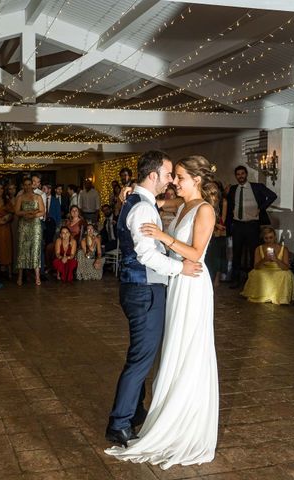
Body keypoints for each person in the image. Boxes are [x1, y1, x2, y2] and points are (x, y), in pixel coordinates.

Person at [105, 153, 218, 470]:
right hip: (171, 280)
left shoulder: (202, 209)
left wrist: (164, 236)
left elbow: (195, 252)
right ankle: (130, 416)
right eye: (171, 175)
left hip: (189, 281)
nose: (173, 182)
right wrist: (130, 190)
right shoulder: (177, 206)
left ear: (195, 180)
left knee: (184, 348)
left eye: (178, 177)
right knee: (159, 351)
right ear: (155, 176)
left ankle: (159, 413)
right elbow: (155, 207)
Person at [226, 165, 277, 288]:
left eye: (242, 173)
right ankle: (236, 280)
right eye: (238, 174)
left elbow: (272, 196)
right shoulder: (233, 189)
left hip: (252, 225)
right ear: (236, 176)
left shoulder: (256, 187)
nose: (240, 176)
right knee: (236, 253)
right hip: (237, 224)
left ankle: (252, 280)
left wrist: (261, 208)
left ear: (246, 174)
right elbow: (228, 202)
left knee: (253, 253)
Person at [241, 226, 294, 304]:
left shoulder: (283, 249)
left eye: (271, 237)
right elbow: (256, 267)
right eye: (266, 238)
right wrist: (265, 259)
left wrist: (276, 259)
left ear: (275, 237)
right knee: (255, 273)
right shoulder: (258, 249)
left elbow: (286, 267)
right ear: (263, 238)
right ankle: (263, 295)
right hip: (264, 269)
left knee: (286, 274)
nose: (269, 240)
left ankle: (279, 297)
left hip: (279, 269)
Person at [15, 178, 45, 286]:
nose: (28, 186)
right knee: (22, 249)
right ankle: (20, 277)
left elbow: (42, 211)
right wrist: (26, 213)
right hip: (23, 225)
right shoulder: (20, 197)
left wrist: (33, 215)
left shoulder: (38, 197)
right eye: (25, 185)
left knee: (36, 249)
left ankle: (37, 276)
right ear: (23, 186)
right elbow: (17, 211)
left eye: (29, 184)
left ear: (32, 185)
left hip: (35, 225)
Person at [205, 181, 228, 287]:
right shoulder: (206, 201)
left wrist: (216, 226)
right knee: (209, 256)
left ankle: (217, 278)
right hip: (208, 230)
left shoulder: (223, 202)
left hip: (218, 232)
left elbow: (222, 220)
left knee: (218, 256)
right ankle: (208, 277)